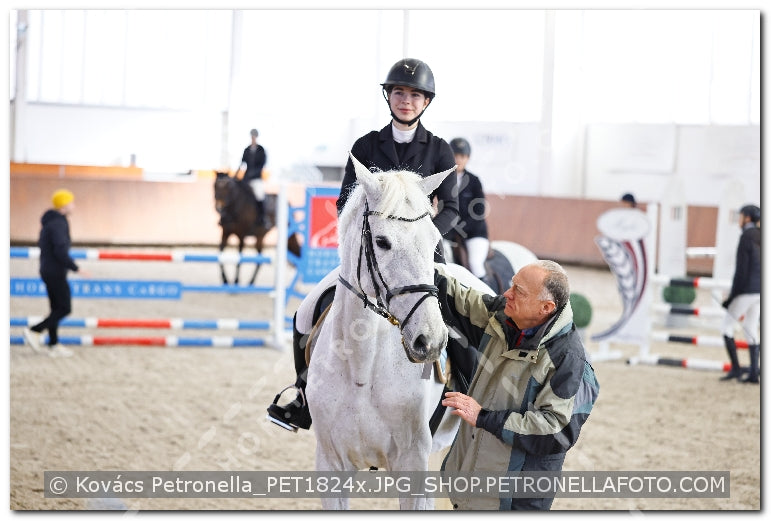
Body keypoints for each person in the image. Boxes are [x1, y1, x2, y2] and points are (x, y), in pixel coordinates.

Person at [267, 57, 460, 432]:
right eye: (399, 93)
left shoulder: (439, 150)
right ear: (389, 97)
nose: (406, 100)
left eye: (415, 95)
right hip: (370, 260)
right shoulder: (366, 146)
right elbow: (343, 204)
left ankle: (462, 391)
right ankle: (303, 394)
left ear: (426, 102)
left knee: (458, 319)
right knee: (306, 313)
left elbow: (451, 207)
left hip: (422, 259)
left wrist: (420, 234)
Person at [436, 260, 600, 510]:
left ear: (546, 307)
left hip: (516, 502)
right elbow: (460, 297)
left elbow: (555, 431)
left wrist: (483, 417)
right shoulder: (501, 314)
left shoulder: (569, 361)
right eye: (512, 285)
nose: (506, 294)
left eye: (519, 291)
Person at [22, 189, 88, 358]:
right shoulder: (58, 223)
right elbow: (60, 250)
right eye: (71, 202)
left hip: (47, 270)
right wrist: (76, 268)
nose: (74, 205)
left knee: (56, 309)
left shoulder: (52, 221)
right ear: (64, 206)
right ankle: (35, 330)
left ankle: (53, 344)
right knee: (65, 308)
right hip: (55, 272)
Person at [719, 204, 760, 383]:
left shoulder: (745, 237)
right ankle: (753, 373)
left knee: (726, 326)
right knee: (751, 329)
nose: (739, 220)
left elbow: (741, 271)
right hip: (760, 291)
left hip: (746, 290)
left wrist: (730, 298)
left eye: (741, 216)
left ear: (748, 218)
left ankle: (736, 368)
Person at [444, 137, 490, 282]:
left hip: (473, 232)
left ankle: (488, 299)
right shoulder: (443, 179)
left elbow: (479, 210)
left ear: (467, 158)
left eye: (462, 156)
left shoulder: (474, 181)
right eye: (455, 156)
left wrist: (460, 228)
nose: (458, 160)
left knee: (475, 264)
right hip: (448, 232)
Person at [234, 128, 269, 228]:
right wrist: (236, 175)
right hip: (246, 178)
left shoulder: (261, 150)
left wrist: (253, 174)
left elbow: (262, 165)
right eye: (252, 136)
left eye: (254, 136)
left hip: (256, 179)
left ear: (256, 137)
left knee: (259, 195)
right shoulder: (247, 149)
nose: (253, 138)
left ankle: (262, 218)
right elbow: (242, 163)